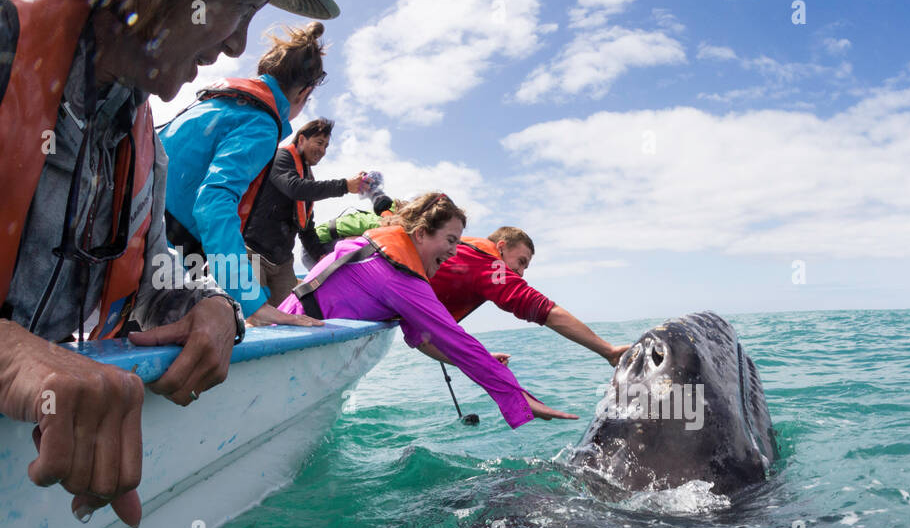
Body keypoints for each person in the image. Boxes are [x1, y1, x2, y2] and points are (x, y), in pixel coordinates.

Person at [0, 0, 340, 528]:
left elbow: (153, 274)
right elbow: (215, 205)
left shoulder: (147, 147)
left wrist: (212, 307)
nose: (235, 43)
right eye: (242, 5)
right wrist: (250, 300)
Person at [278, 192, 576, 427]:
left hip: (299, 331)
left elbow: (422, 338)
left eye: (458, 242)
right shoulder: (397, 276)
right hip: (290, 338)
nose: (454, 251)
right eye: (449, 240)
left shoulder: (392, 257)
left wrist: (479, 360)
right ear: (420, 234)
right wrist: (517, 397)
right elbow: (454, 338)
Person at [158, 18, 333, 326]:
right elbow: (213, 201)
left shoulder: (226, 104)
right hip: (157, 248)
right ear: (304, 93)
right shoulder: (262, 124)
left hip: (137, 230)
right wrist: (252, 304)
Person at [310, 211, 629, 366]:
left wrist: (481, 358)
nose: (520, 273)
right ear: (501, 247)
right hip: (338, 288)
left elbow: (422, 338)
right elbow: (543, 310)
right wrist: (608, 350)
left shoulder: (465, 253)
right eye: (521, 262)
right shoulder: (488, 265)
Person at [242, 116, 365, 306]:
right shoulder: (280, 158)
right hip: (252, 253)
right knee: (253, 313)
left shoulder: (307, 177)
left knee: (288, 315)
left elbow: (306, 228)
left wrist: (322, 258)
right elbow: (295, 188)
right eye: (319, 142)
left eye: (326, 146)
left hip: (282, 262)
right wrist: (345, 186)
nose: (322, 150)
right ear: (301, 140)